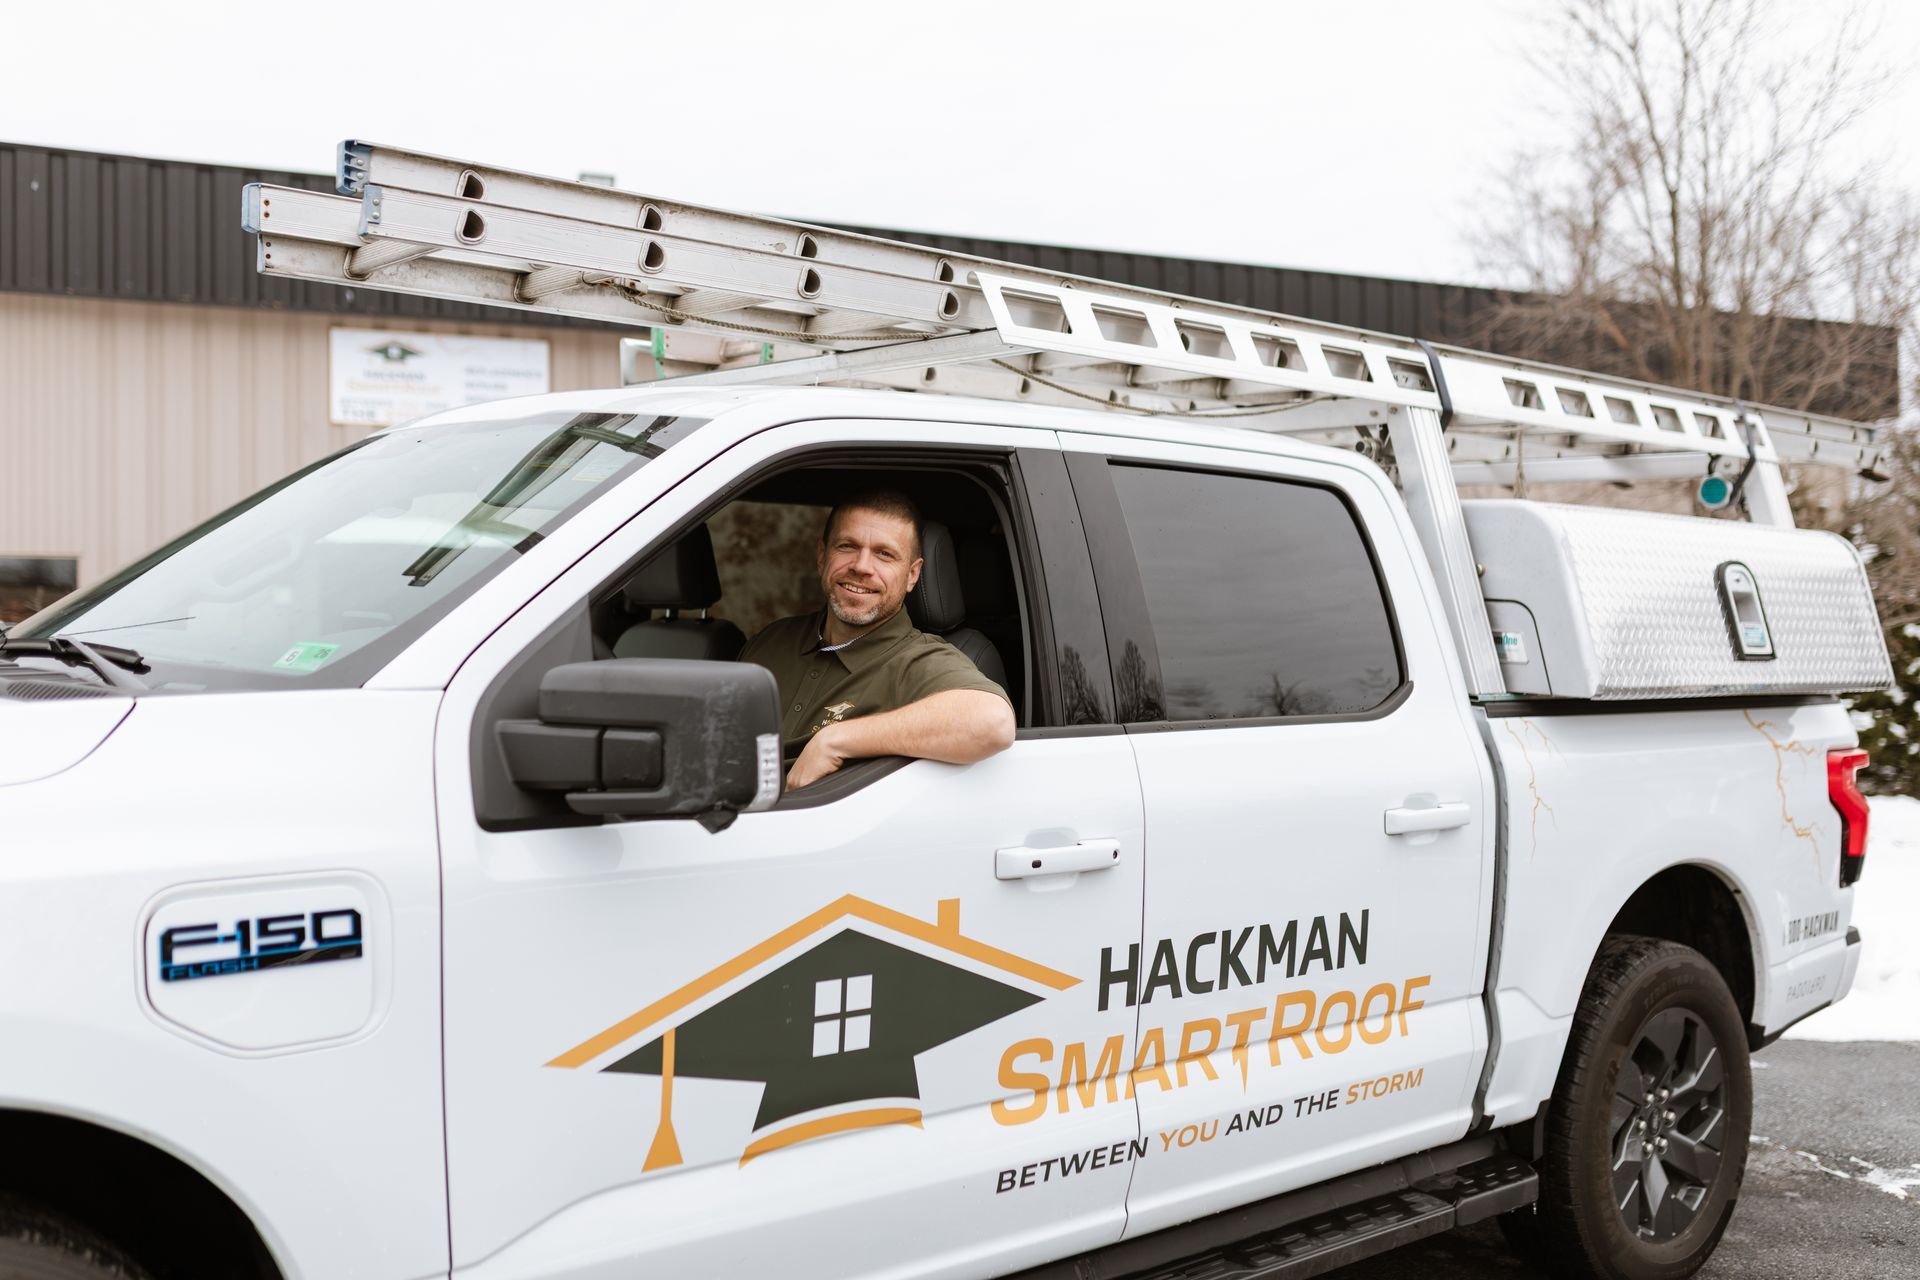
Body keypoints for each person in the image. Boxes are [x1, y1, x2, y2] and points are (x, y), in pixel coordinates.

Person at [739, 489, 1014, 791]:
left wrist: (836, 741)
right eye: (847, 546)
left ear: (912, 575)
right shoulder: (771, 640)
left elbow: (993, 722)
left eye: (885, 554)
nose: (861, 566)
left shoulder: (920, 660)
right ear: (822, 556)